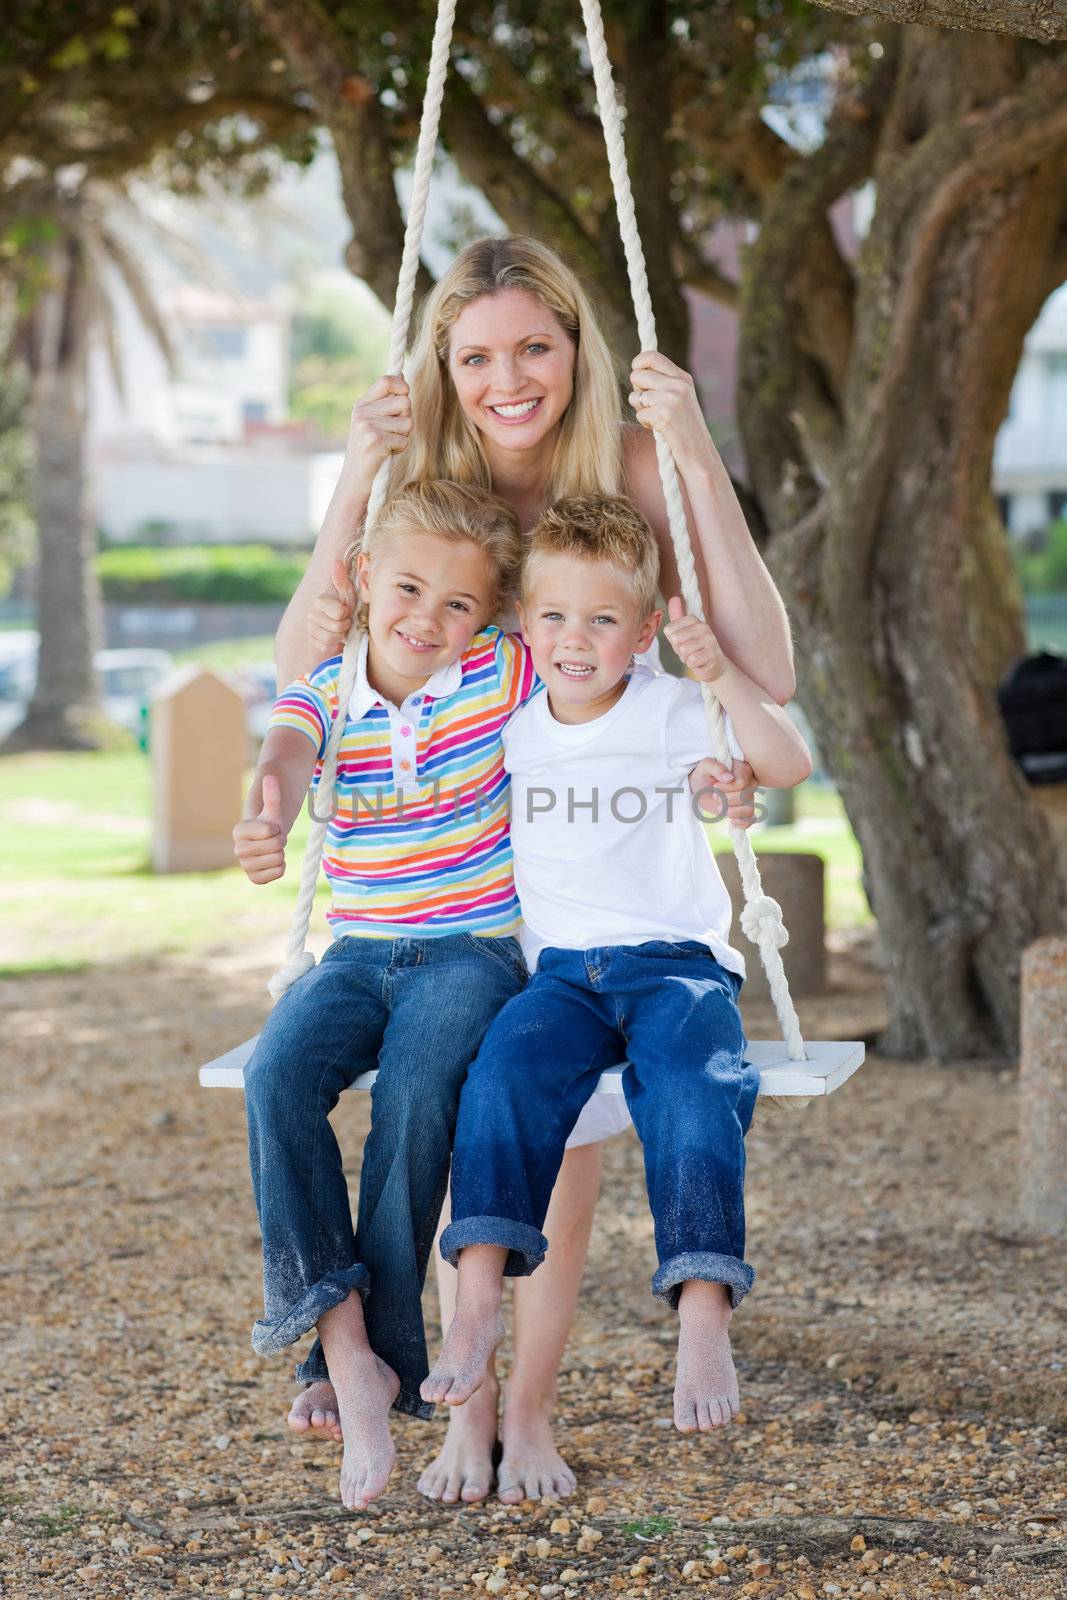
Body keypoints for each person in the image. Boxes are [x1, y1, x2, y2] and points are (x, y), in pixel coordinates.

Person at [276, 235, 797, 1504]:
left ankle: (524, 1411)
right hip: (459, 875)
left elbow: (763, 671)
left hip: (596, 882)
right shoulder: (418, 474)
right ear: (440, 369)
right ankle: (446, 1409)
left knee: (560, 1152)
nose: (508, 379)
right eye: (475, 356)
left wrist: (694, 460)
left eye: (535, 348)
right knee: (476, 1129)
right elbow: (307, 662)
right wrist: (354, 475)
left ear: (576, 348)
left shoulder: (617, 464)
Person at [421, 494, 812, 1434]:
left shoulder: (674, 710)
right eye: (553, 616)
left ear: (642, 632)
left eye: (601, 620)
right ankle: (475, 1298)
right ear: (524, 623)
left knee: (692, 1087)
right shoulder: (513, 725)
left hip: (675, 968)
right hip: (560, 975)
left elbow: (784, 762)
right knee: (500, 1077)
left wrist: (720, 685)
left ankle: (702, 1302)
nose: (574, 639)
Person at [232, 480, 539, 1512]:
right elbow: (286, 746)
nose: (427, 618)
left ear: (486, 616)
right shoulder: (325, 685)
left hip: (469, 950)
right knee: (275, 1074)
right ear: (364, 580)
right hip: (355, 950)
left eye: (458, 603)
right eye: (407, 586)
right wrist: (271, 798)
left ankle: (366, 1366)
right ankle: (346, 1347)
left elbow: (599, 655)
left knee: (416, 1090)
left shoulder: (499, 673)